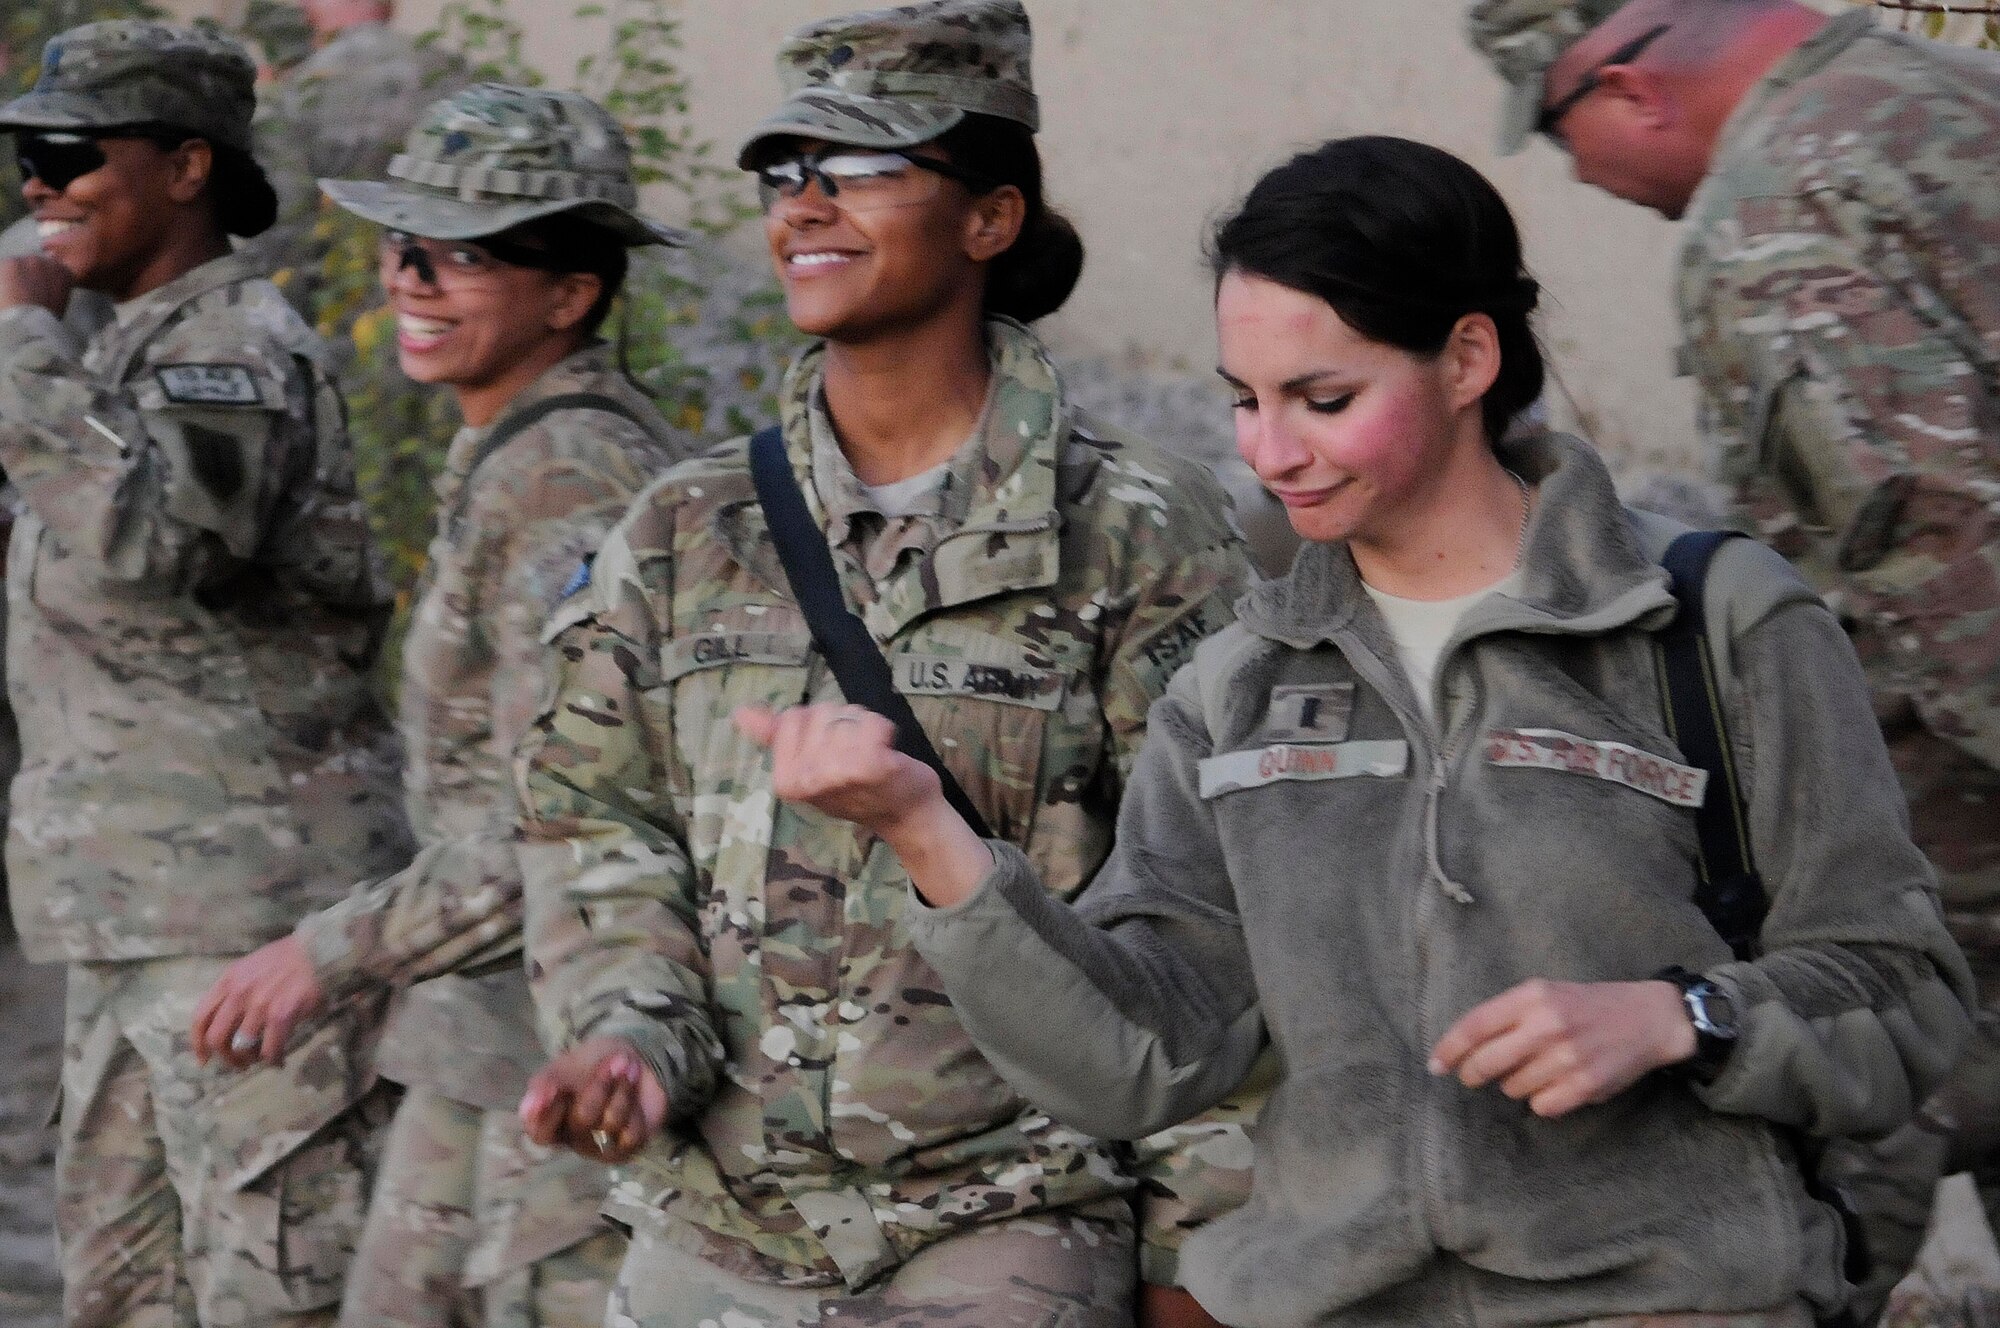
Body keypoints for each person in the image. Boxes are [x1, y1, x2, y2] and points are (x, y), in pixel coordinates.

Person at [731, 134, 1977, 1327]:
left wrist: (1682, 1016)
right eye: (1243, 400)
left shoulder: (1712, 621)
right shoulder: (1233, 685)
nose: (1271, 451)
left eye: (1322, 397)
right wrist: (924, 831)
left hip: (1666, 1294)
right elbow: (1136, 1055)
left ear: (1467, 357)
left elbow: (1903, 994)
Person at [511, 2, 1256, 1324]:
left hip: (1007, 1209)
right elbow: (590, 820)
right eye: (784, 173)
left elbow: (1217, 909)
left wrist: (1195, 1249)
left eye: (860, 170)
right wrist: (630, 1039)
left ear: (991, 215)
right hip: (721, 1222)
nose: (804, 207)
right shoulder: (683, 531)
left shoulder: (1137, 533)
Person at [1465, 0, 2000, 1312]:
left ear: (1630, 86)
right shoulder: (1940, 94)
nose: (1576, 168)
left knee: (1778, 1246)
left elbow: (1941, 557)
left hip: (1952, 877)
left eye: (1557, 126)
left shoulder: (1774, 224)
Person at [188, 84, 700, 1328]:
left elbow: (562, 815)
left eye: (460, 253)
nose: (410, 277)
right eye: (400, 242)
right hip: (484, 1029)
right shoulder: (515, 445)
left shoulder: (571, 476)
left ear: (571, 293)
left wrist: (324, 954)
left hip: (562, 1041)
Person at [0, 20, 413, 1326]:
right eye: (26, 156)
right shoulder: (102, 356)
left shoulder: (237, 352)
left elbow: (151, 543)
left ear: (188, 167)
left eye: (71, 152)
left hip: (249, 932)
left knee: (271, 1299)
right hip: (129, 926)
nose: (38, 184)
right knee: (123, 1300)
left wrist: (14, 353)